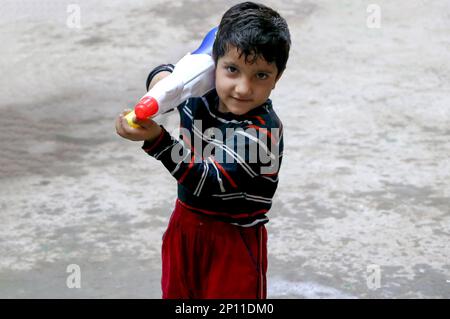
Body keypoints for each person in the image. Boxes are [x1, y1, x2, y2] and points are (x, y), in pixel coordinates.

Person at [115, 1, 290, 299]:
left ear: (277, 78)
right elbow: (165, 74)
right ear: (213, 64)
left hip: (234, 239)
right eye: (232, 69)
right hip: (185, 225)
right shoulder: (200, 92)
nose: (243, 88)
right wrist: (166, 84)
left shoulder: (262, 131)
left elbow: (207, 180)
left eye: (260, 75)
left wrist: (157, 139)